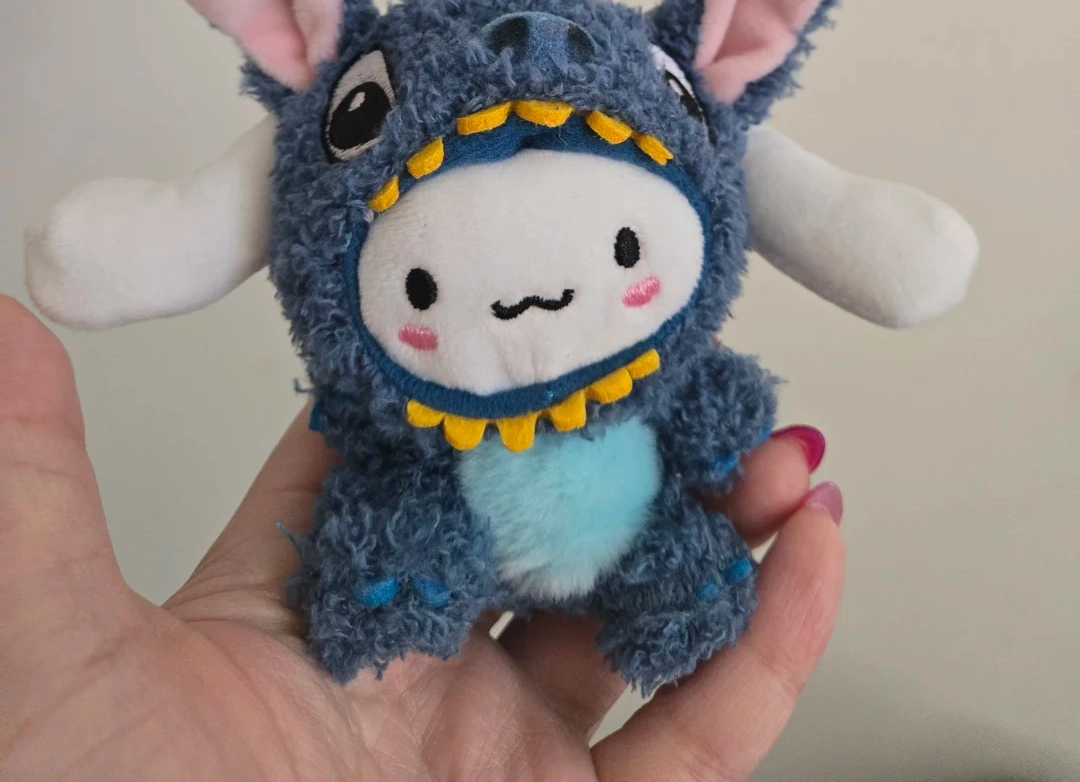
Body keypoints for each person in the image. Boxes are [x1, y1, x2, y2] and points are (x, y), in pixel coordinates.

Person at [0, 293, 844, 780]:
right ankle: (397, 588)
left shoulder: (643, 345)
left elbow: (710, 404)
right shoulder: (432, 365)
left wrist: (717, 416)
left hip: (632, 525)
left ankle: (680, 590)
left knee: (692, 569)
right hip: (464, 513)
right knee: (398, 504)